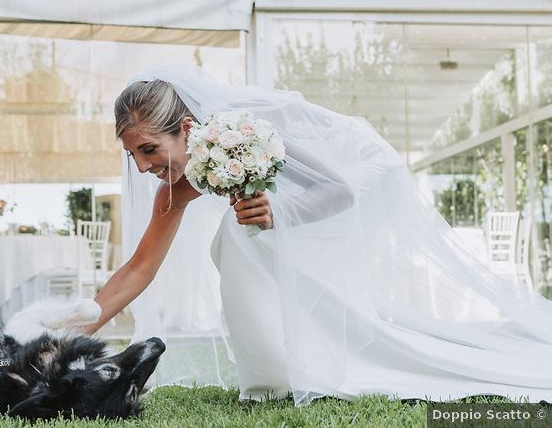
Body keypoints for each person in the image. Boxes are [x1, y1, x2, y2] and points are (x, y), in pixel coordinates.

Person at [80, 63, 552, 405]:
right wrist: (65, 337)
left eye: (148, 149)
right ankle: (282, 369)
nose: (142, 167)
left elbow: (340, 188)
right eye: (133, 156)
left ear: (186, 129)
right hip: (308, 198)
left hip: (359, 174)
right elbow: (139, 269)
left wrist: (280, 213)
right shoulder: (175, 183)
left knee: (241, 233)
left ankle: (288, 372)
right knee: (244, 234)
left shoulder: (246, 128)